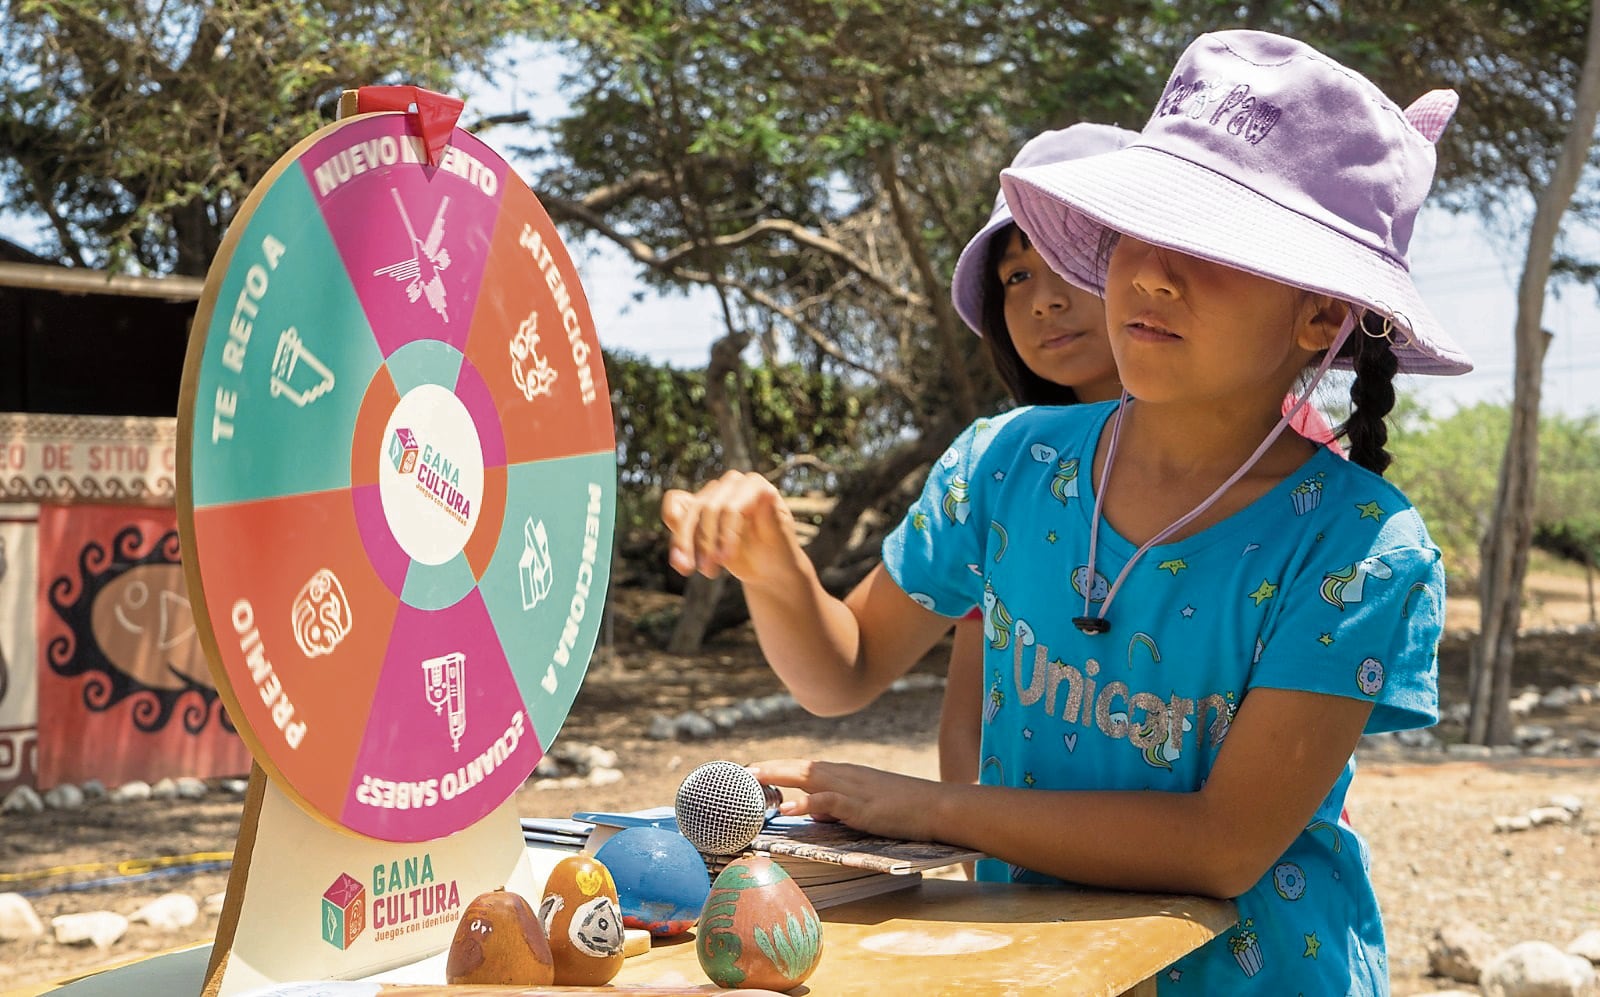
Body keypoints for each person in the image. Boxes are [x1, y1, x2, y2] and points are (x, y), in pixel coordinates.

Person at [662, 29, 1470, 993]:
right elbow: (844, 667)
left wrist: (932, 809)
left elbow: (1224, 845)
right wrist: (775, 568)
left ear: (1321, 315)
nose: (1154, 273)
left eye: (1214, 246)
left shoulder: (1360, 549)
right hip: (1038, 972)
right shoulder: (1004, 466)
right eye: (1139, 229)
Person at [940, 122, 1343, 802]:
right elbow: (968, 704)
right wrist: (964, 837)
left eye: (1077, 260)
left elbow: (1245, 818)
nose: (1046, 298)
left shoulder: (1290, 459)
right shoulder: (1009, 472)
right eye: (1017, 274)